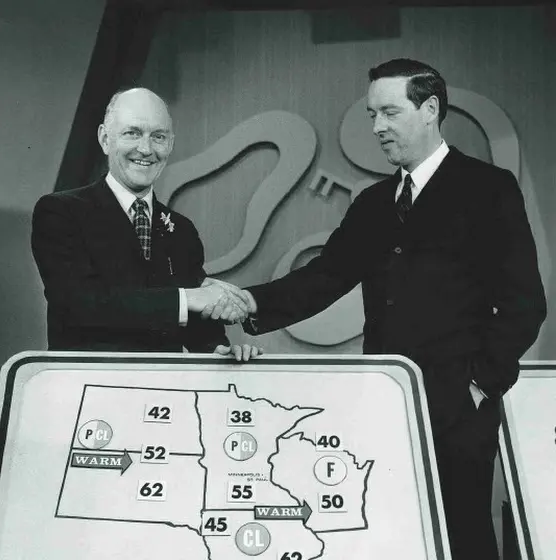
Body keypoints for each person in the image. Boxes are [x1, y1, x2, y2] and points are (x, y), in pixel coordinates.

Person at [225, 59, 546, 558]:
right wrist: (248, 302)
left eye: (390, 113)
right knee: (391, 539)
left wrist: (479, 385)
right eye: (372, 114)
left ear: (430, 109)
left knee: (463, 538)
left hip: (460, 410)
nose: (377, 127)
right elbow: (326, 276)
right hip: (384, 405)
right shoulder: (374, 202)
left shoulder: (489, 188)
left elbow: (525, 303)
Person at [32, 88, 260, 361]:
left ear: (170, 145)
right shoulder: (61, 211)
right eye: (132, 133)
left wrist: (218, 351)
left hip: (161, 386)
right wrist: (187, 298)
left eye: (158, 137)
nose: (146, 149)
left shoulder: (182, 229)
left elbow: (196, 325)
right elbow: (79, 305)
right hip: (87, 383)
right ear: (105, 139)